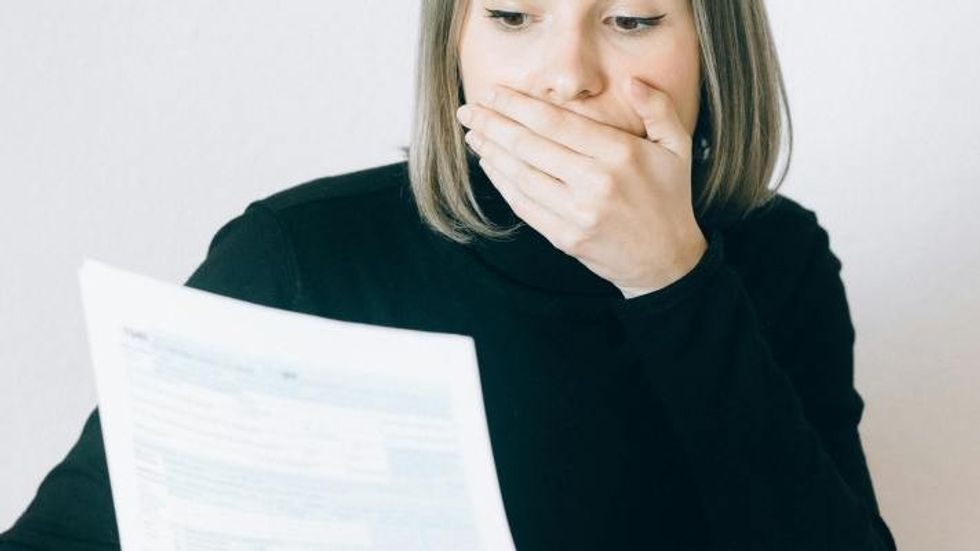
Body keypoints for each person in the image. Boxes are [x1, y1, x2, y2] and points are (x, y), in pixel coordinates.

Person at [1, 0, 898, 549]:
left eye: (630, 20)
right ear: (455, 44)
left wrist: (673, 280)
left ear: (713, 45)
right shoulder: (301, 255)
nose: (566, 77)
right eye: (511, 17)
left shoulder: (776, 258)